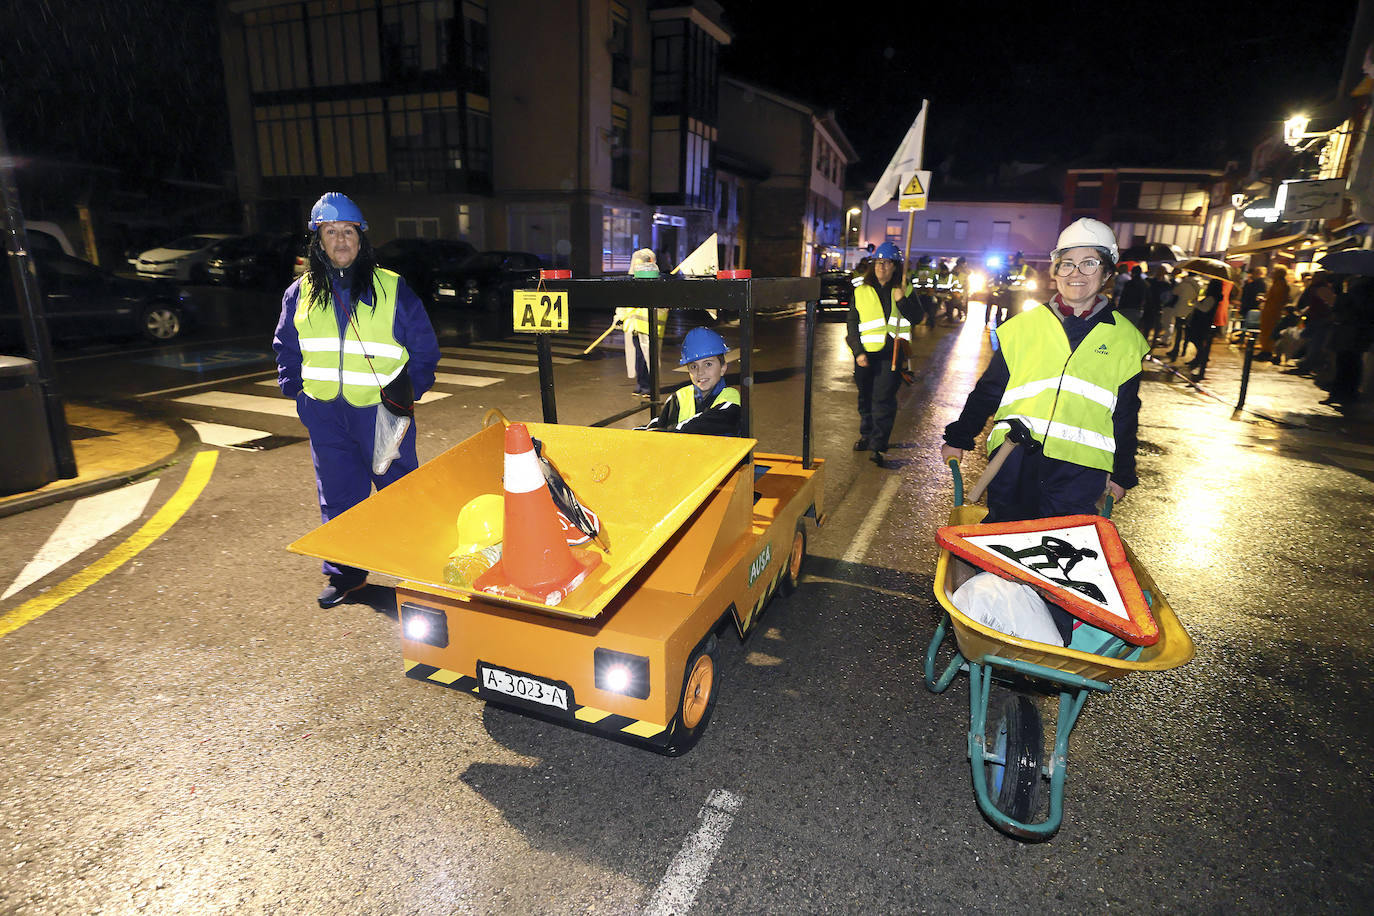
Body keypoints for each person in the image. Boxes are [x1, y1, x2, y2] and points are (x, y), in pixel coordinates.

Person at [942, 217, 1147, 641]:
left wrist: (1122, 473)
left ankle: (1047, 645)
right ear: (1054, 271)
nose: (1076, 273)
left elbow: (1126, 414)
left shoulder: (1126, 340)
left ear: (1107, 273)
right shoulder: (1024, 328)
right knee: (1005, 542)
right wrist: (959, 438)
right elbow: (989, 389)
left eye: (1089, 264)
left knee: (1062, 558)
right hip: (1014, 460)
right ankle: (994, 631)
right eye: (1067, 263)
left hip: (1079, 471)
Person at [273, 192, 441, 608]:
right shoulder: (300, 293)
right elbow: (286, 348)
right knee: (338, 496)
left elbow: (424, 350)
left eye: (348, 230)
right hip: (326, 414)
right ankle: (346, 576)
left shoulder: (392, 287)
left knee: (400, 491)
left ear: (361, 238)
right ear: (318, 240)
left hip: (382, 414)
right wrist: (298, 393)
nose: (341, 240)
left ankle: (416, 574)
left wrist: (407, 395)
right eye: (331, 232)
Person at [847, 241, 912, 468]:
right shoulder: (861, 291)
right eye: (878, 262)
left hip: (891, 355)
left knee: (883, 399)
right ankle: (866, 434)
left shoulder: (904, 289)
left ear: (895, 266)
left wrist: (903, 300)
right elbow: (852, 324)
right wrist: (858, 352)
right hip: (865, 355)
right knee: (864, 397)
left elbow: (919, 317)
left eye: (886, 263)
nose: (881, 267)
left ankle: (878, 445)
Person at [638, 327, 741, 436]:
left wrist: (668, 433)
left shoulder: (731, 400)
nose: (700, 372)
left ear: (723, 368)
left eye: (708, 364)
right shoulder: (679, 397)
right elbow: (660, 424)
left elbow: (701, 424)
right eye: (693, 366)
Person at [616, 248, 667, 398]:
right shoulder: (631, 282)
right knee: (638, 357)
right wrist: (620, 316)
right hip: (634, 327)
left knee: (648, 358)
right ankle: (641, 384)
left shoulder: (656, 282)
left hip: (649, 327)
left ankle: (649, 386)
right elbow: (623, 302)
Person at [1186, 279, 1223, 379]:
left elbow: (1205, 309)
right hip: (1201, 322)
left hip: (1202, 323)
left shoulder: (1211, 298)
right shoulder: (1212, 297)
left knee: (1197, 339)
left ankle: (1201, 357)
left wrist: (1196, 303)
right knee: (1197, 339)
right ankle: (1199, 357)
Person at [1257, 265, 1290, 362]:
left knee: (1269, 331)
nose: (1272, 273)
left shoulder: (1280, 284)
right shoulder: (1277, 283)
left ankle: (1267, 351)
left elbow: (1277, 300)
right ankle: (1265, 350)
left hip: (1273, 312)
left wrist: (1266, 300)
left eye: (1274, 271)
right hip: (1270, 311)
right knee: (1266, 331)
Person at [1167, 271, 1201, 361]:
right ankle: (1184, 350)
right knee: (1187, 331)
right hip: (1190, 310)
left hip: (1180, 309)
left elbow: (1174, 292)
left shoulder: (1183, 283)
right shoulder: (1197, 285)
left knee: (1178, 331)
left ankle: (1176, 349)